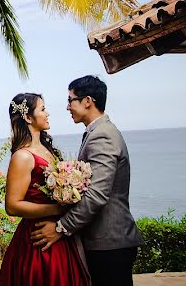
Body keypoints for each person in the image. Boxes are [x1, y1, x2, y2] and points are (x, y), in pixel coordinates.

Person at [30, 75, 143, 286]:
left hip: (109, 243)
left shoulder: (103, 136)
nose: (67, 107)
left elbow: (97, 195)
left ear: (88, 101)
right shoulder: (96, 132)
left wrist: (60, 228)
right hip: (104, 243)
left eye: (70, 100)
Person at [0, 92, 90, 286]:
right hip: (37, 240)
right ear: (29, 118)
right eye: (43, 109)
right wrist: (57, 209)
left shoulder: (49, 151)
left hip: (59, 234)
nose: (47, 114)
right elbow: (12, 206)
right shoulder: (22, 156)